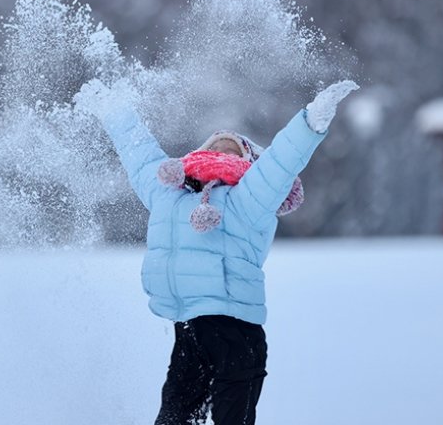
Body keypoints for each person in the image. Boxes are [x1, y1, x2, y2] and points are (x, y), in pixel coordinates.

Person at [75, 79, 358, 424]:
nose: (222, 153)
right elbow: (140, 154)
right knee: (173, 419)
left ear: (250, 163)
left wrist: (311, 122)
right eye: (215, 147)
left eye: (233, 151)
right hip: (189, 333)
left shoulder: (249, 198)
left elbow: (280, 163)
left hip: (237, 334)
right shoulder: (170, 195)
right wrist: (114, 111)